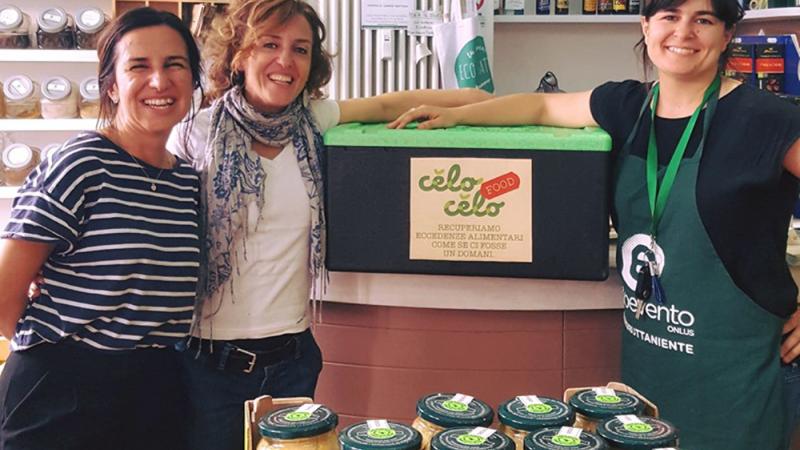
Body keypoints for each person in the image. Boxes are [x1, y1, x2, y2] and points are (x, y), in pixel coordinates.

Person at [389, 0, 800, 447]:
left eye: (703, 20)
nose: (683, 32)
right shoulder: (626, 105)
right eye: (669, 16)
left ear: (726, 35)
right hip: (650, 366)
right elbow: (540, 108)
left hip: (741, 378)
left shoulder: (767, 119)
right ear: (646, 26)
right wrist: (458, 117)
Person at [167, 1, 491, 449]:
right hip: (208, 366)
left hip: (292, 360)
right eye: (269, 45)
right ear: (239, 55)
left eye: (300, 49)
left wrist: (473, 104)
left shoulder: (313, 121)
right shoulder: (193, 134)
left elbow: (389, 104)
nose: (286, 61)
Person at [0, 7, 203, 450]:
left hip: (156, 390)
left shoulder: (186, 181)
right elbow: (3, 295)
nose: (159, 81)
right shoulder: (81, 164)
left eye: (174, 64)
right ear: (111, 85)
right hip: (61, 392)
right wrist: (59, 357)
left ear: (193, 80)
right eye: (138, 67)